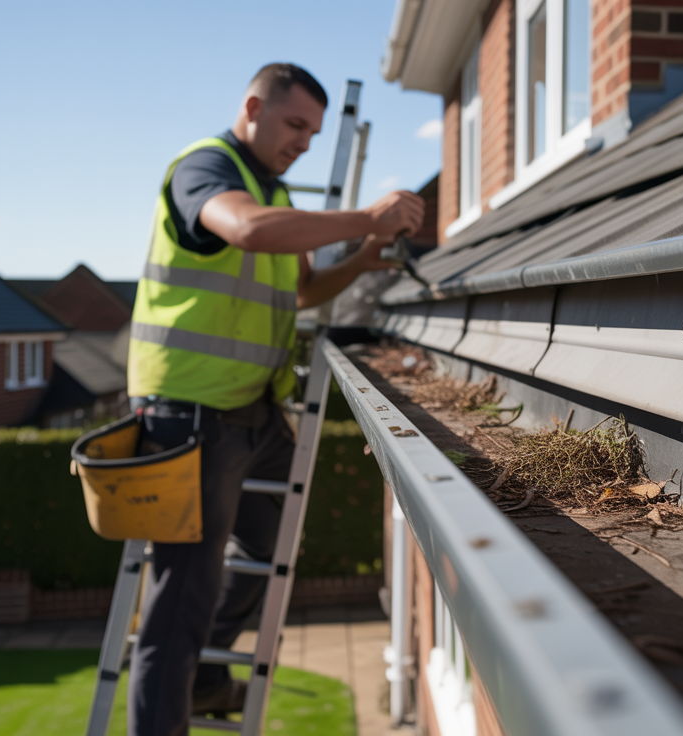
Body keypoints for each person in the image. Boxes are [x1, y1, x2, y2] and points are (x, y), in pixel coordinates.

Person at [124, 62, 424, 736]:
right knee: (179, 606)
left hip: (254, 412)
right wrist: (368, 214)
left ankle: (202, 678)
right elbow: (250, 230)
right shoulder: (203, 170)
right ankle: (175, 696)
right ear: (254, 107)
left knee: (270, 543)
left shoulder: (277, 191)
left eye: (314, 133)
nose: (304, 143)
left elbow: (300, 291)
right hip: (188, 414)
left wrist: (361, 259)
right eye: (295, 126)